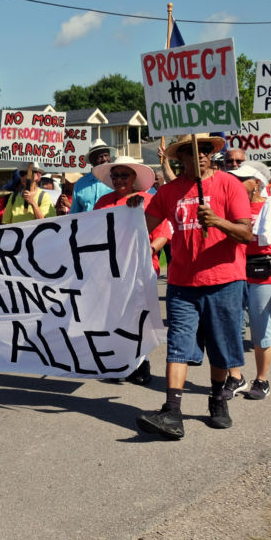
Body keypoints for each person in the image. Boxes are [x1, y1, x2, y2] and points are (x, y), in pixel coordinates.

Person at [135, 133, 253, 440]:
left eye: (206, 151)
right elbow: (140, 227)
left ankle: (217, 401)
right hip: (182, 282)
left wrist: (218, 222)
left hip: (224, 280)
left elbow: (246, 234)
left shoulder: (230, 185)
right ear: (180, 158)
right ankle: (172, 411)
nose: (200, 156)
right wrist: (134, 207)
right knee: (178, 344)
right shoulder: (170, 191)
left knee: (219, 345)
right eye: (192, 151)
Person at [91, 155, 173, 387]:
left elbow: (164, 233)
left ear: (134, 177)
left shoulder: (148, 200)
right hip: (110, 270)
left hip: (140, 268)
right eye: (115, 176)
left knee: (138, 317)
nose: (118, 180)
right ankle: (118, 363)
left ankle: (140, 363)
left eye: (123, 175)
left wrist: (148, 252)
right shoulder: (103, 202)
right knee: (114, 317)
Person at [224, 161, 271, 400]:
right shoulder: (229, 208)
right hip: (234, 273)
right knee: (230, 327)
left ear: (256, 183)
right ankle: (235, 377)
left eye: (241, 179)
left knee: (260, 330)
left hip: (266, 275)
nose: (234, 183)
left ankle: (261, 379)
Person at [69, 141, 115, 213]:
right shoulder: (80, 184)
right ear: (91, 160)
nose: (104, 159)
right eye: (100, 156)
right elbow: (74, 214)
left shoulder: (118, 180)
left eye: (106, 155)